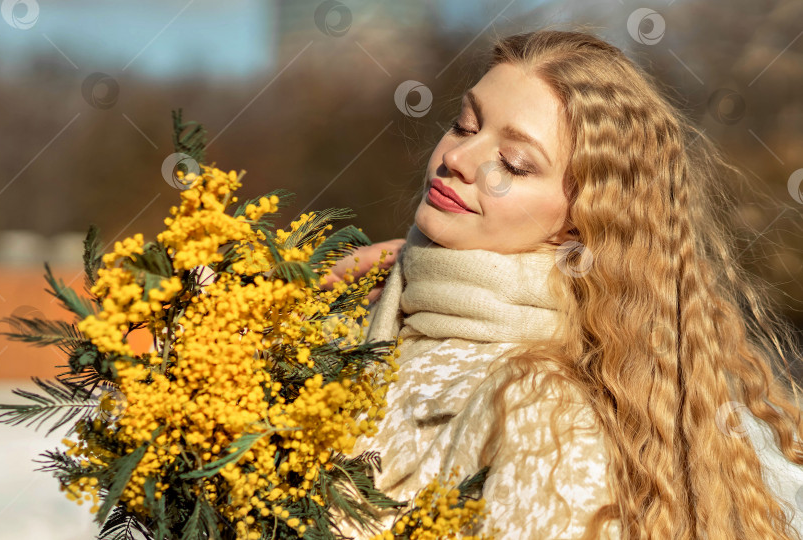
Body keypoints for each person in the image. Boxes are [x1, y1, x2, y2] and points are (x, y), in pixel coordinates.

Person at [324, 29, 803, 540]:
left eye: (514, 164)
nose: (457, 160)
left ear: (581, 220)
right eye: (464, 126)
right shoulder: (369, 312)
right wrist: (305, 300)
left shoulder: (543, 410)